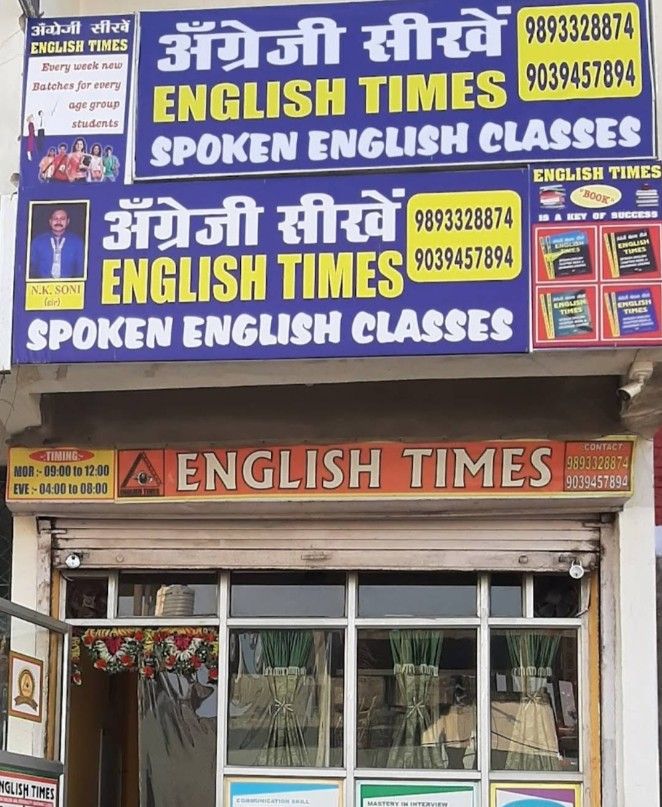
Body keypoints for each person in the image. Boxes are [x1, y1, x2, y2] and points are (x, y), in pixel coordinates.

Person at [29, 208, 85, 280]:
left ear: (68, 221)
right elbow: (32, 268)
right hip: (42, 285)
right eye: (55, 218)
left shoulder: (77, 242)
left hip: (69, 285)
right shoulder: (38, 241)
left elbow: (80, 269)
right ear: (50, 221)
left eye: (62, 219)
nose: (58, 221)